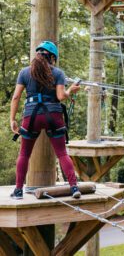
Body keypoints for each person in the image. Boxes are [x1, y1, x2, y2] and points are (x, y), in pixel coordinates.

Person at [10, 41, 81, 199]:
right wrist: (71, 90)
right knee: (62, 153)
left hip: (31, 116)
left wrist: (12, 120)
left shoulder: (24, 72)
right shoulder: (58, 73)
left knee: (24, 154)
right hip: (53, 115)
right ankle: (74, 187)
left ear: (38, 55)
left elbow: (15, 97)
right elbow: (61, 97)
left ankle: (18, 191)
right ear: (52, 58)